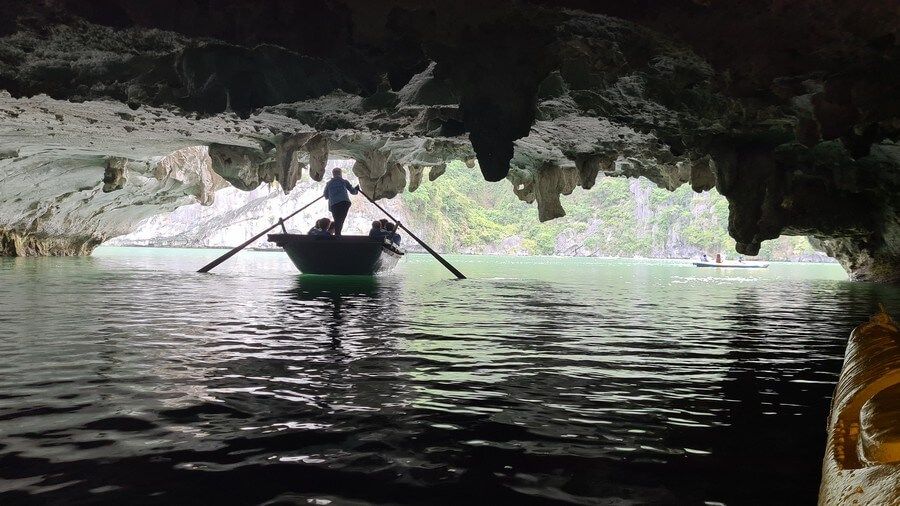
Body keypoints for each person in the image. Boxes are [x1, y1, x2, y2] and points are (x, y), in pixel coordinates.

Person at [323, 167, 358, 236]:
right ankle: (337, 235)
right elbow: (353, 191)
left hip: (334, 204)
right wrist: (356, 190)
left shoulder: (329, 183)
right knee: (340, 220)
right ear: (340, 174)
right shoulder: (344, 181)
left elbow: (326, 196)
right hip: (344, 202)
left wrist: (331, 192)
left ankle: (337, 235)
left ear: (333, 174)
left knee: (337, 220)